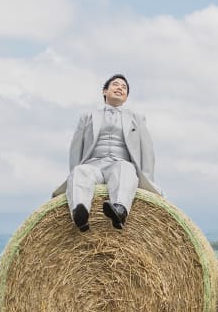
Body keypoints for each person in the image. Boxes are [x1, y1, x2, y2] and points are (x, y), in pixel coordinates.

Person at [67, 74, 160, 231]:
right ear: (104, 91)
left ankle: (120, 209)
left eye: (124, 88)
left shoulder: (136, 118)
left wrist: (147, 181)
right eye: (116, 85)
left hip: (119, 162)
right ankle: (80, 212)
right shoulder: (87, 116)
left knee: (125, 170)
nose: (120, 88)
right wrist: (73, 174)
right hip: (93, 164)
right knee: (80, 171)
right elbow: (75, 148)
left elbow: (147, 150)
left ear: (126, 97)